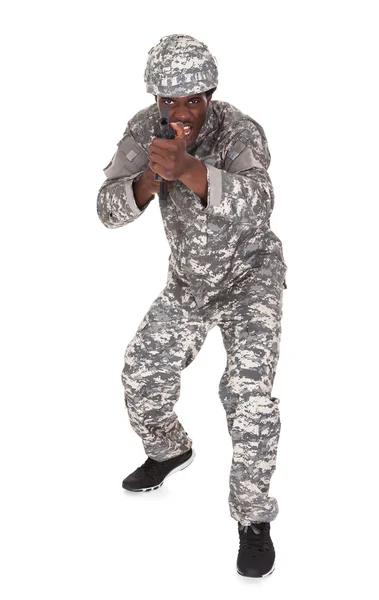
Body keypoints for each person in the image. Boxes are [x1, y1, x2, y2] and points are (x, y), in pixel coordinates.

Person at [96, 34, 288, 578]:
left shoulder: (239, 129)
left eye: (194, 100)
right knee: (141, 372)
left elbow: (259, 202)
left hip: (251, 280)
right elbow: (107, 210)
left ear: (211, 94)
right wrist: (151, 177)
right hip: (189, 284)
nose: (182, 113)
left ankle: (253, 520)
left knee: (248, 398)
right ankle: (169, 449)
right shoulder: (141, 131)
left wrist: (189, 170)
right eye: (169, 102)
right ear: (155, 100)